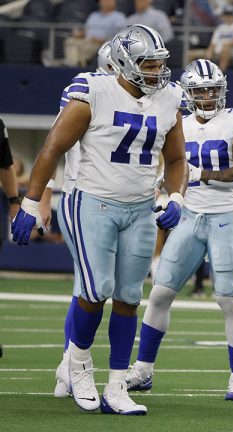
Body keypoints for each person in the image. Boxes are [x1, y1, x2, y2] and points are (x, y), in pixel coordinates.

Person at [10, 24, 187, 415]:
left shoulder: (170, 98)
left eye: (160, 63)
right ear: (123, 62)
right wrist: (30, 201)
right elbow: (53, 147)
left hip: (139, 207)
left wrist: (176, 195)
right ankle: (79, 365)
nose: (158, 71)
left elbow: (176, 160)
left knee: (129, 296)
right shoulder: (93, 91)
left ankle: (117, 386)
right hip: (90, 202)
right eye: (148, 63)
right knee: (96, 289)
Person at [126, 59, 233, 401]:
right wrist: (162, 192)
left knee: (229, 300)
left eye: (214, 88)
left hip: (224, 218)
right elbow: (168, 168)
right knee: (159, 294)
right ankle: (143, 370)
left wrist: (200, 176)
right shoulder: (176, 122)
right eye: (202, 90)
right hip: (188, 216)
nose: (210, 96)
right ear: (189, 93)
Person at [43, 41, 119, 399]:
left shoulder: (147, 98)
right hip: (81, 196)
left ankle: (70, 365)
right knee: (87, 286)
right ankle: (70, 365)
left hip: (121, 202)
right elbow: (55, 144)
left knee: (104, 288)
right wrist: (42, 193)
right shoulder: (87, 90)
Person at [64, 0, 126, 68]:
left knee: (83, 48)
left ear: (114, 2)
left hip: (101, 43)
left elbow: (120, 35)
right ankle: (73, 64)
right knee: (70, 41)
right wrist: (80, 33)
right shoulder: (94, 15)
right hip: (86, 40)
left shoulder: (118, 16)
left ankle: (74, 65)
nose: (106, 2)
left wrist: (102, 40)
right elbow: (86, 30)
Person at [185, 5, 233, 72]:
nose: (228, 17)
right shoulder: (220, 28)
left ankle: (220, 74)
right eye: (226, 15)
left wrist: (228, 44)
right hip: (215, 52)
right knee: (189, 54)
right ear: (223, 16)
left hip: (230, 52)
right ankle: (192, 76)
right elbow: (213, 43)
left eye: (230, 15)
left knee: (225, 49)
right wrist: (209, 52)